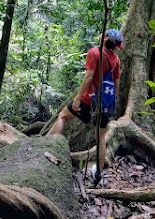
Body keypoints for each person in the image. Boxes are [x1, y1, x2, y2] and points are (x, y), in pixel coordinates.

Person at [52, 28, 123, 178]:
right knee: (101, 137)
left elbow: (89, 77)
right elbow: (116, 84)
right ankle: (98, 173)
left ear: (104, 39)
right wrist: (111, 103)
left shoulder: (95, 52)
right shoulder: (116, 61)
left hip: (88, 100)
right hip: (104, 104)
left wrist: (78, 98)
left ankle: (55, 151)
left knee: (62, 116)